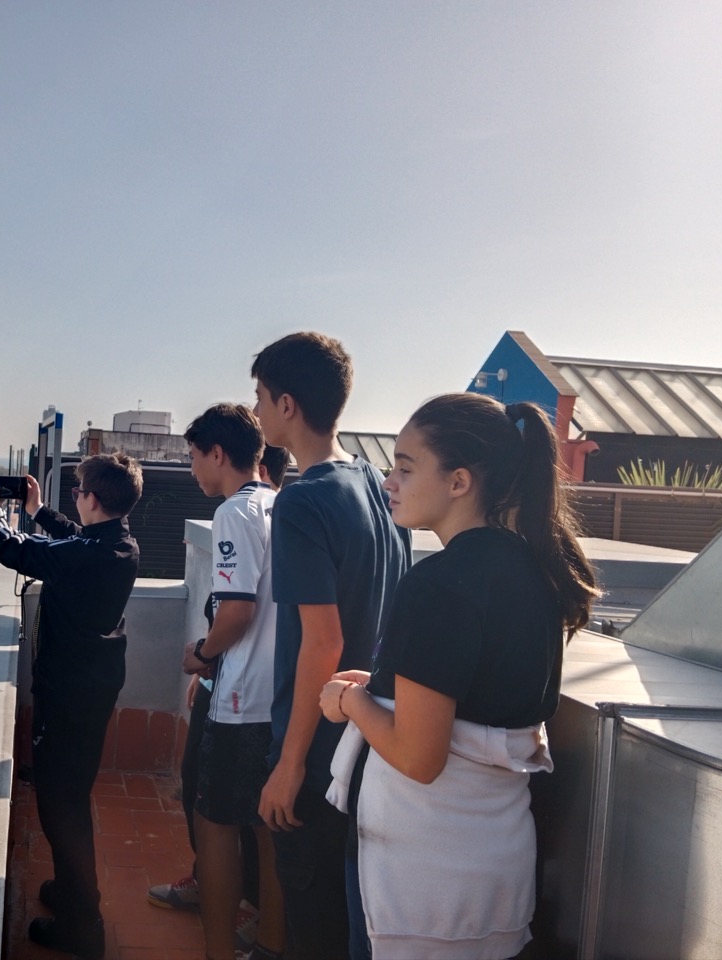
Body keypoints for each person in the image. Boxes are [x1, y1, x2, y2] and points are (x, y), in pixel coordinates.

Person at [320, 393, 599, 959]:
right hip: (495, 864)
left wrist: (350, 702)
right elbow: (479, 691)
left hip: (422, 874)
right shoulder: (535, 571)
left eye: (405, 468)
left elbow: (419, 757)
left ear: (458, 482)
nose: (389, 482)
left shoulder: (440, 583)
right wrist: (381, 685)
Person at [251, 332, 411, 960]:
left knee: (313, 927)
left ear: (287, 405)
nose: (256, 411)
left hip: (321, 752)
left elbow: (323, 643)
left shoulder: (303, 501)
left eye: (261, 397)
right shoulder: (374, 482)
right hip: (373, 738)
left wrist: (290, 765)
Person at [0, 455, 143, 960]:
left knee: (60, 806)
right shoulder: (119, 543)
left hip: (70, 693)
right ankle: (72, 892)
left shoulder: (89, 555)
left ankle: (83, 925)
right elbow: (75, 539)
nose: (75, 499)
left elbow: (9, 548)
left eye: (77, 492)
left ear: (93, 499)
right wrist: (39, 510)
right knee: (69, 793)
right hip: (91, 687)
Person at [176, 403, 284, 960]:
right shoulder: (281, 504)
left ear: (218, 454)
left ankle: (219, 950)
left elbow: (237, 613)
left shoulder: (234, 513)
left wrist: (200, 654)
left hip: (241, 701)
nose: (193, 468)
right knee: (267, 830)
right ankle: (269, 945)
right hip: (281, 698)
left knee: (214, 823)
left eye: (195, 457)